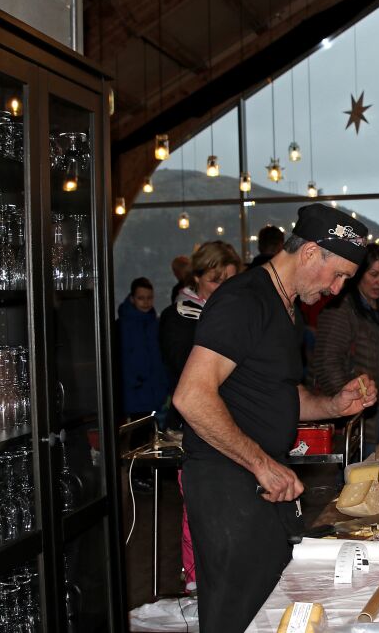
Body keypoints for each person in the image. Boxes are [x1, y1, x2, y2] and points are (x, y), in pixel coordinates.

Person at [173, 204, 379, 632]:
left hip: (262, 477)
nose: (338, 289)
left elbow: (276, 393)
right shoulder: (244, 299)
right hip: (228, 479)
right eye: (337, 274)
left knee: (276, 603)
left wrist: (332, 406)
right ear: (309, 254)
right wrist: (261, 464)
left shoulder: (284, 305)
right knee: (238, 612)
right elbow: (191, 396)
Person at [158, 240, 241, 591]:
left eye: (229, 281)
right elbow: (184, 370)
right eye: (214, 280)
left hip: (233, 423)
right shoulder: (177, 317)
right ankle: (195, 584)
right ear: (196, 278)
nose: (222, 288)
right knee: (199, 511)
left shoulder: (236, 314)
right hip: (194, 428)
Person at [313, 244, 379, 456]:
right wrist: (349, 404)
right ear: (358, 273)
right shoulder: (341, 310)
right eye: (373, 274)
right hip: (359, 417)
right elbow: (326, 364)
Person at [118, 277, 168, 422]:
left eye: (149, 298)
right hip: (134, 391)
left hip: (156, 390)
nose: (146, 302)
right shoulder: (122, 326)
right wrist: (133, 380)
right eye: (141, 298)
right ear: (132, 299)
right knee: (138, 434)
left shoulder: (156, 324)